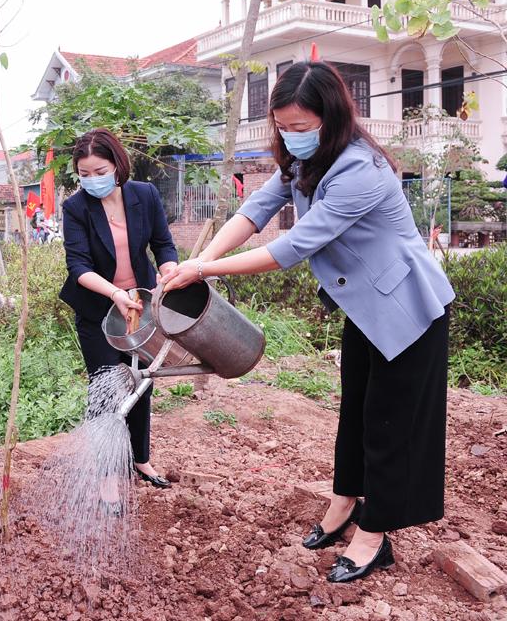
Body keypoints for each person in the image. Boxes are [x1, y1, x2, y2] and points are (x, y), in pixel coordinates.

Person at [162, 61, 455, 583]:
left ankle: (375, 535)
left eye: (301, 128)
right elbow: (254, 212)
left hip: (408, 308)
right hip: (366, 307)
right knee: (357, 413)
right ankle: (344, 502)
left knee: (390, 421)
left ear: (331, 117)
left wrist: (202, 269)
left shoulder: (362, 169)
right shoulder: (305, 161)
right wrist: (198, 259)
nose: (291, 137)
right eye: (283, 127)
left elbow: (293, 246)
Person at [59, 128, 179, 514]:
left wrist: (170, 271)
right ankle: (108, 477)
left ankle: (139, 459)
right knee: (106, 390)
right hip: (99, 309)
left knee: (142, 381)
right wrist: (114, 293)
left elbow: (162, 243)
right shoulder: (76, 207)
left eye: (100, 170)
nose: (93, 180)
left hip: (141, 306)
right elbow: (78, 265)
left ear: (117, 165)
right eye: (85, 173)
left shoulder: (144, 195)